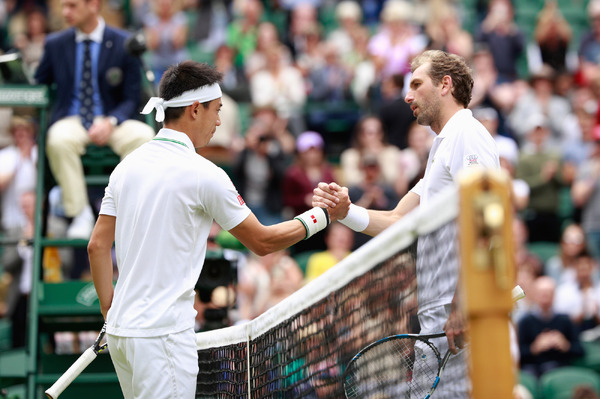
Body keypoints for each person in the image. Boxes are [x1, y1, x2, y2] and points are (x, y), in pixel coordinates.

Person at [88, 61, 347, 399]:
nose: (220, 121)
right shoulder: (204, 173)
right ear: (195, 110)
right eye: (217, 110)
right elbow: (263, 241)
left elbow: (96, 246)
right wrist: (323, 217)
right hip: (162, 337)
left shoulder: (125, 168)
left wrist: (111, 310)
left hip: (124, 334)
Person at [313, 49, 500, 397]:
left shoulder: (467, 135)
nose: (407, 95)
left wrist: (462, 303)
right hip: (438, 316)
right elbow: (400, 219)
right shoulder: (440, 148)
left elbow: (487, 217)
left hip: (461, 311)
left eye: (416, 84)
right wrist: (345, 212)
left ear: (446, 85)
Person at [34, 0, 155, 239]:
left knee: (144, 137)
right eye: (64, 6)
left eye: (72, 6)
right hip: (73, 120)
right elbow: (39, 85)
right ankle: (79, 213)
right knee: (57, 139)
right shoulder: (55, 44)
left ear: (93, 5)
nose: (64, 12)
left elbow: (132, 98)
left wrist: (111, 121)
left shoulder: (124, 42)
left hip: (113, 120)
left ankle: (125, 212)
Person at [518, 276, 584, 378]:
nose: (545, 297)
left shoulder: (565, 320)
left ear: (554, 295)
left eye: (548, 293)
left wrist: (565, 345)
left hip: (560, 369)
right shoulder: (525, 321)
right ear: (534, 295)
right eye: (541, 293)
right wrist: (534, 348)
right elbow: (517, 354)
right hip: (533, 370)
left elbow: (580, 350)